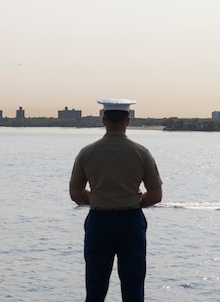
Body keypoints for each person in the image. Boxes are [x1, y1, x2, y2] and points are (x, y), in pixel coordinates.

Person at [69, 98, 163, 302]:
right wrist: (133, 202)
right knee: (133, 286)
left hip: (99, 221)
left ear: (103, 120)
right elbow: (155, 195)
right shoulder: (142, 153)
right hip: (131, 221)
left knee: (95, 286)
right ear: (128, 121)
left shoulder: (87, 153)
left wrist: (97, 198)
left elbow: (76, 194)